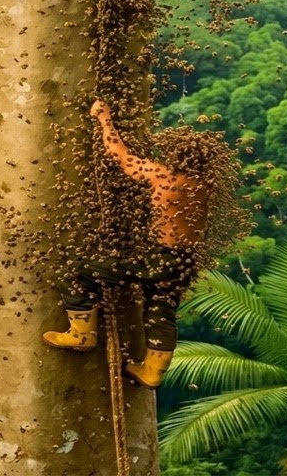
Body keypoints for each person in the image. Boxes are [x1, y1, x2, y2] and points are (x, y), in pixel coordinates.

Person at [42, 99, 209, 388]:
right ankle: (152, 371)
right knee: (161, 309)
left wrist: (105, 120)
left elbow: (120, 157)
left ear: (177, 157)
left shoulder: (164, 177)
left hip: (158, 257)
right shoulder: (203, 188)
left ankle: (82, 333)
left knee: (79, 271)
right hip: (184, 260)